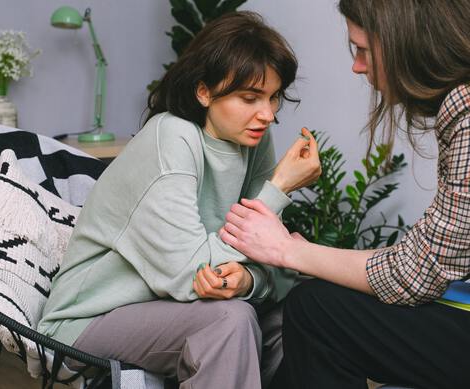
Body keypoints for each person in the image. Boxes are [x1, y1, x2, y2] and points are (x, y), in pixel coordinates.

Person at [37, 11, 321, 389]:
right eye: (250, 97)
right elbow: (190, 277)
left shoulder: (253, 140)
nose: (267, 114)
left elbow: (273, 256)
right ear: (204, 91)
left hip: (173, 309)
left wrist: (249, 280)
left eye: (273, 98)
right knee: (229, 321)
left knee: (311, 307)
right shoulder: (171, 138)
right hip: (89, 320)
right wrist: (279, 188)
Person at [219, 1, 470, 388]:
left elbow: (418, 273)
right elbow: (429, 256)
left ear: (406, 42)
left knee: (315, 308)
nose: (357, 65)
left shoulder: (465, 109)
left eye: (363, 49)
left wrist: (286, 250)